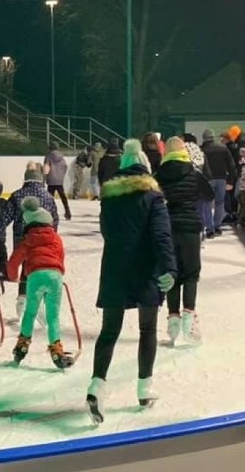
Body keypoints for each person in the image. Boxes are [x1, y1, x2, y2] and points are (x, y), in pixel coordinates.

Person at [86, 138, 176, 426]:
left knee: (109, 330)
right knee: (147, 328)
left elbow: (106, 231)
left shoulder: (109, 197)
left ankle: (96, 386)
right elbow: (161, 236)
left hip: (114, 267)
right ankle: (144, 387)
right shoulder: (153, 197)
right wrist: (169, 269)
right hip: (145, 269)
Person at [155, 137, 214, 346]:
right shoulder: (193, 173)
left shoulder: (159, 174)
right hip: (190, 226)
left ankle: (173, 320)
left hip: (168, 226)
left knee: (173, 272)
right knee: (191, 272)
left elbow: (152, 197)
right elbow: (209, 194)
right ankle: (189, 317)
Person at [7, 197, 72, 369]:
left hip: (34, 277)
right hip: (54, 277)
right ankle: (56, 350)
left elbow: (14, 260)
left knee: (30, 312)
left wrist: (12, 275)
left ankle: (22, 345)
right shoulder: (56, 238)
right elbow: (60, 257)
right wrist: (57, 271)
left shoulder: (28, 240)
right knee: (53, 316)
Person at [0, 162, 59, 316]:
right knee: (37, 266)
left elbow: (5, 217)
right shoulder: (48, 196)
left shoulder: (17, 195)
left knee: (25, 267)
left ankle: (22, 299)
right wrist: (52, 237)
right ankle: (37, 300)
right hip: (44, 237)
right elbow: (54, 219)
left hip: (21, 236)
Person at [200, 129, 237, 238]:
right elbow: (231, 166)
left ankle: (209, 228)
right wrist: (231, 181)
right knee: (219, 203)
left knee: (207, 203)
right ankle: (217, 226)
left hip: (207, 179)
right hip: (222, 178)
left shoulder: (201, 150)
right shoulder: (222, 148)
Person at [43, 143, 71, 221]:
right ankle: (67, 212)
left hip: (51, 180)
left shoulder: (48, 156)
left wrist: (44, 179)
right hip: (59, 180)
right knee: (63, 196)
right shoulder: (62, 157)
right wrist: (61, 175)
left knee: (49, 198)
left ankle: (49, 213)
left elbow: (46, 168)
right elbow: (65, 166)